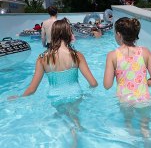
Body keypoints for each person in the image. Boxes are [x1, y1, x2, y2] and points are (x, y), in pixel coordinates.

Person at [10, 18, 98, 147]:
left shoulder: (42, 58)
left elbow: (32, 88)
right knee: (74, 118)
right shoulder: (77, 55)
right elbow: (93, 83)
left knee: (64, 120)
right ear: (69, 34)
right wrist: (90, 91)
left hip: (56, 96)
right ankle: (77, 136)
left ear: (53, 34)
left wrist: (19, 97)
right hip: (75, 94)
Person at [103, 17, 151, 140]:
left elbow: (107, 85)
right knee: (145, 128)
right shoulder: (145, 52)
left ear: (118, 35)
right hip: (143, 98)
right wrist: (142, 83)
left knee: (129, 126)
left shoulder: (112, 55)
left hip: (125, 99)